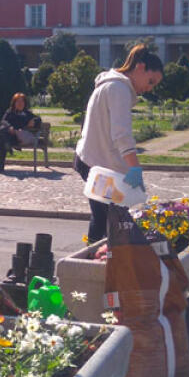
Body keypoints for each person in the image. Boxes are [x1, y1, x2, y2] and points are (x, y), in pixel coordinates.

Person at [74, 44, 164, 243]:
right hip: (96, 164)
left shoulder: (112, 85)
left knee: (107, 220)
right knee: (108, 221)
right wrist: (134, 168)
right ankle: (92, 265)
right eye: (151, 81)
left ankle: (96, 263)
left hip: (92, 161)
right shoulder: (119, 89)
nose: (149, 88)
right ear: (140, 67)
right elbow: (121, 135)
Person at [0, 93, 40, 173]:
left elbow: (39, 119)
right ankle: (7, 148)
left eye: (22, 102)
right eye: (18, 102)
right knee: (3, 132)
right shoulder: (10, 112)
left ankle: (1, 165)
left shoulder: (27, 113)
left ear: (25, 103)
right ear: (14, 103)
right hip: (9, 136)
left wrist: (34, 121)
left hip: (18, 138)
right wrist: (10, 127)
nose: (20, 104)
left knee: (2, 138)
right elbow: (3, 121)